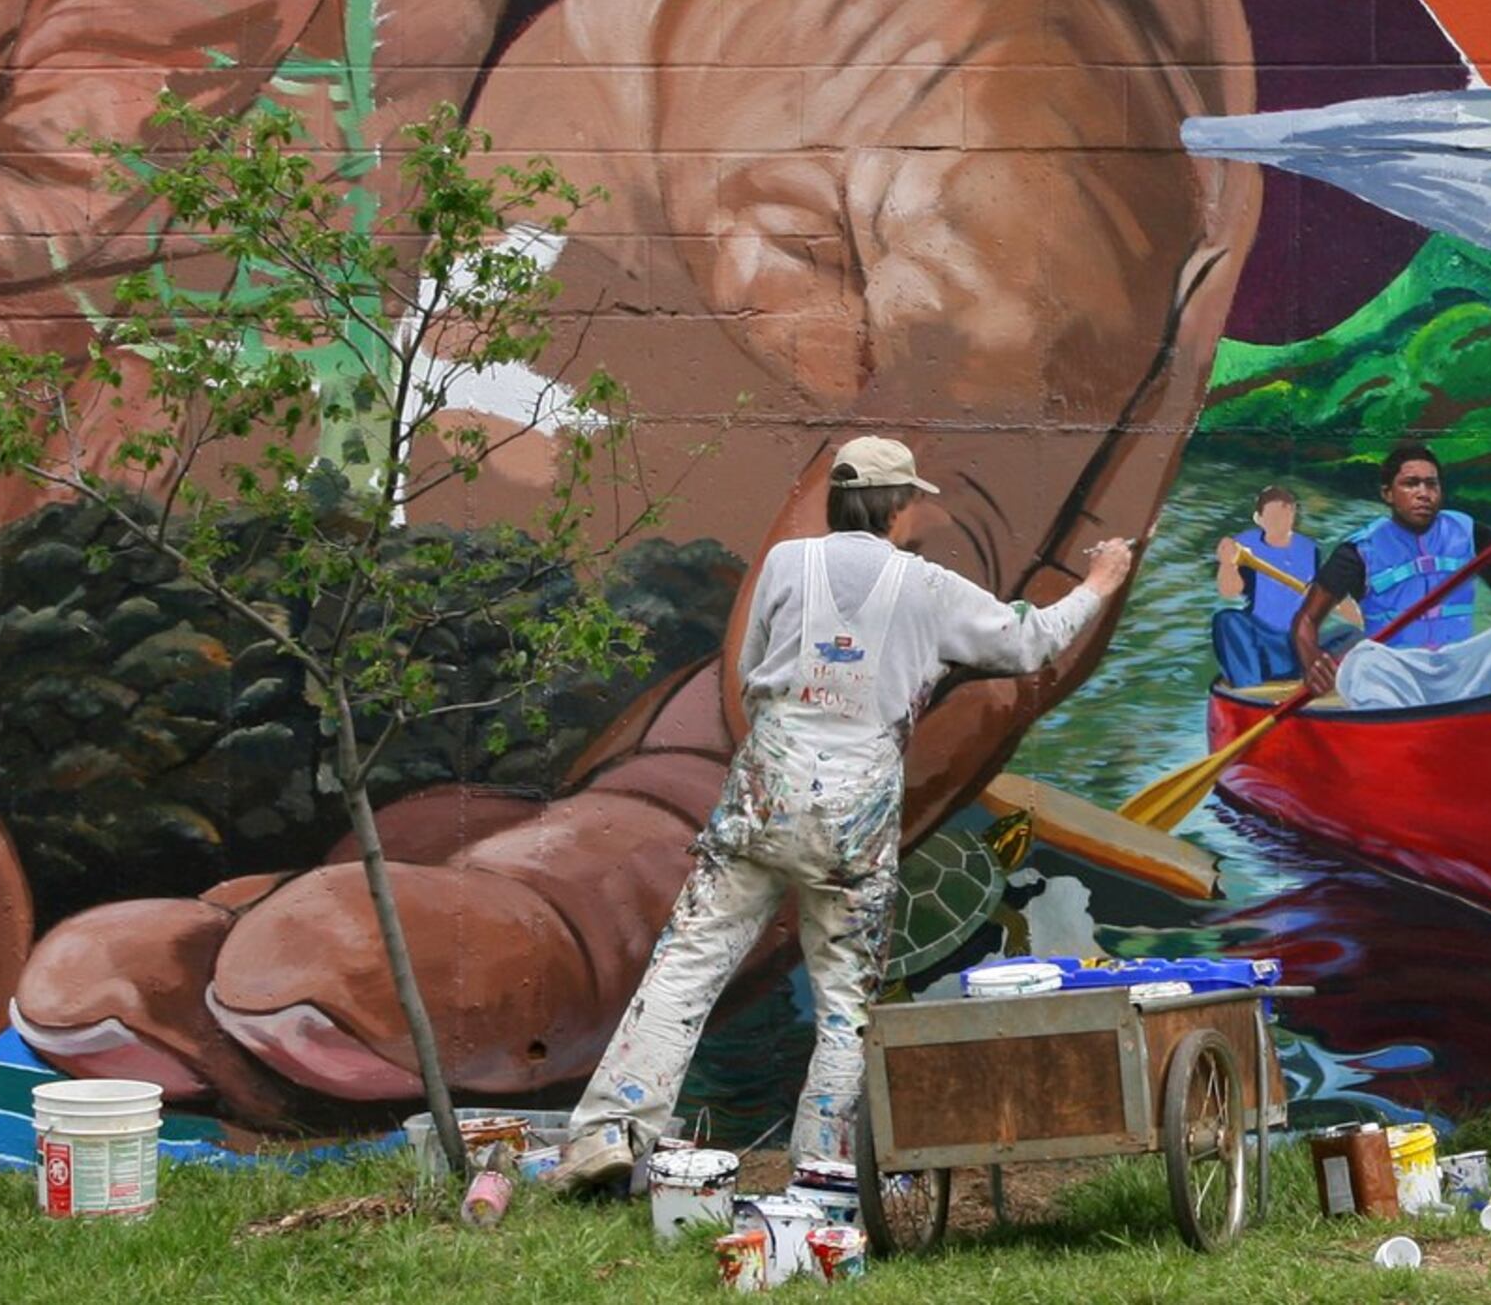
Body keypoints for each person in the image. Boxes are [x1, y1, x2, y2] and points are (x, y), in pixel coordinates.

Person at [555, 435, 1138, 1189]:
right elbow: (1032, 644)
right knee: (844, 997)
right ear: (900, 507)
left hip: (764, 791)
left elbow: (749, 672)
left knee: (688, 965)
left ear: (837, 499)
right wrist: (1099, 581)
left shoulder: (784, 564)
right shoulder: (930, 588)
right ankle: (823, 1167)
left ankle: (610, 1134)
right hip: (856, 813)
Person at [1291, 445, 1491, 711]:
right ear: (1387, 494)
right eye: (1411, 483)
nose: (1423, 493)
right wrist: (1311, 658)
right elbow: (1306, 621)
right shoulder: (1358, 551)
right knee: (1363, 662)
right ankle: (1400, 732)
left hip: (1460, 666)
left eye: (1431, 484)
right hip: (1398, 673)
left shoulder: (1468, 533)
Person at [1211, 484, 1345, 687]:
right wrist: (1227, 564)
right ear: (1259, 519)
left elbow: (1320, 595)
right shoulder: (1244, 545)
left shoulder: (1309, 548)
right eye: (1274, 516)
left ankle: (1328, 684)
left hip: (1300, 645)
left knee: (1352, 634)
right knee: (1226, 620)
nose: (1281, 521)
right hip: (1262, 642)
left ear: (1293, 514)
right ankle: (1250, 689)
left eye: (1287, 513)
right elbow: (1229, 591)